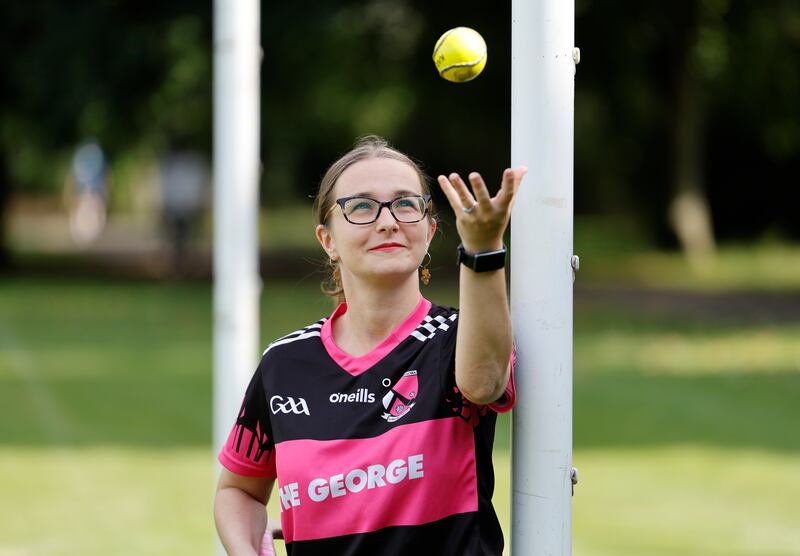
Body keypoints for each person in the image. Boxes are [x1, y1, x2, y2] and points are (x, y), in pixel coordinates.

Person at [214, 135, 526, 555]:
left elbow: (483, 384)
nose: (387, 221)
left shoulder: (456, 338)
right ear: (328, 240)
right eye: (361, 206)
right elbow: (240, 491)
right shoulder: (285, 364)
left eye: (405, 203)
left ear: (430, 230)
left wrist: (483, 249)